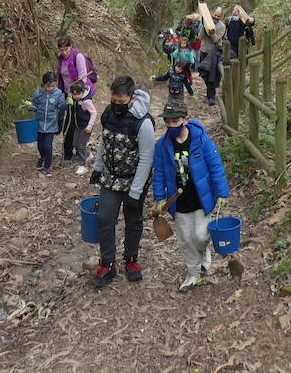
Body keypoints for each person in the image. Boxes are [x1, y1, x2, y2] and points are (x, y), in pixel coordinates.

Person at [151, 95, 230, 292]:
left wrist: (222, 193)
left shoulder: (201, 140)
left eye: (175, 121)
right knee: (185, 239)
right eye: (167, 122)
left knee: (201, 236)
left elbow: (215, 166)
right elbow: (159, 172)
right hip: (179, 201)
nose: (171, 125)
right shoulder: (162, 146)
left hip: (202, 198)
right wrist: (160, 198)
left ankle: (203, 255)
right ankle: (193, 273)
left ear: (185, 119)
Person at [90, 76, 155, 286]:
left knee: (133, 220)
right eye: (114, 101)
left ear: (132, 97)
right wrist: (98, 168)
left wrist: (135, 192)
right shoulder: (108, 114)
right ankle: (107, 263)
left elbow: (147, 158)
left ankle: (131, 259)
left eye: (121, 102)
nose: (117, 106)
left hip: (134, 179)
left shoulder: (143, 123)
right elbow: (104, 142)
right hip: (111, 177)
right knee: (104, 217)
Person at [29, 72, 66, 175]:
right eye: (48, 86)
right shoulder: (38, 93)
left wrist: (66, 104)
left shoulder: (58, 93)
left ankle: (48, 166)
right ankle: (42, 158)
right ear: (43, 84)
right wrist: (30, 107)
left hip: (51, 124)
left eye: (53, 86)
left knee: (48, 146)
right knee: (40, 146)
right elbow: (35, 106)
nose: (50, 88)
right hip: (39, 124)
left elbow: (61, 106)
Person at [65, 79, 99, 175]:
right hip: (77, 126)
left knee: (81, 145)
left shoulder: (86, 101)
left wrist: (90, 125)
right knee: (75, 143)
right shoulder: (74, 99)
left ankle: (84, 165)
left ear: (82, 92)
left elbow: (94, 113)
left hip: (85, 127)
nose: (75, 96)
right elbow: (69, 93)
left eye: (77, 94)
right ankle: (87, 154)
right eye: (73, 94)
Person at [196, 8, 226, 105]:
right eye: (215, 15)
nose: (216, 17)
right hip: (204, 51)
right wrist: (204, 27)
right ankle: (210, 91)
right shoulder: (207, 23)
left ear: (221, 16)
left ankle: (211, 96)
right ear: (212, 14)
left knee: (212, 75)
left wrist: (212, 32)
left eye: (218, 16)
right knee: (205, 74)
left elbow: (216, 39)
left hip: (215, 52)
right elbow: (200, 37)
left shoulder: (222, 26)